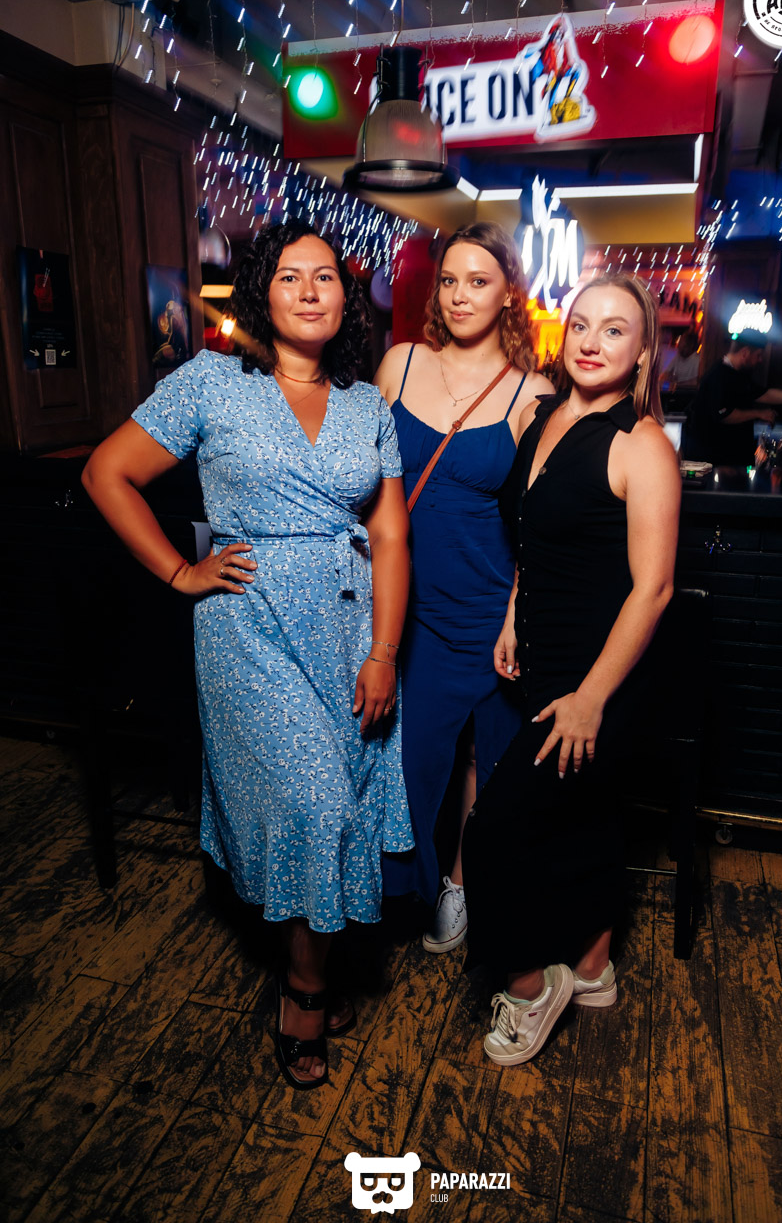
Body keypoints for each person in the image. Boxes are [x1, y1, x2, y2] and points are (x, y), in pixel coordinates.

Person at [82, 220, 412, 1090]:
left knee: (342, 805)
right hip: (250, 631)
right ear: (263, 292)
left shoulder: (367, 405)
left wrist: (383, 651)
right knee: (314, 808)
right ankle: (304, 993)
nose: (309, 290)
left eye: (325, 276)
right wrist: (179, 572)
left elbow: (388, 533)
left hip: (347, 630)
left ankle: (317, 967)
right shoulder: (210, 382)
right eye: (289, 275)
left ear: (345, 300)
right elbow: (107, 473)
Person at [462, 272, 681, 1066]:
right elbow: (532, 537)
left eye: (614, 329)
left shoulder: (639, 444)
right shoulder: (541, 415)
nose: (591, 342)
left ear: (643, 351)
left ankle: (529, 986)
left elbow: (653, 589)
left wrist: (590, 698)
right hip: (544, 659)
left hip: (600, 680)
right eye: (581, 325)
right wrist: (513, 613)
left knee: (495, 832)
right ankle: (591, 968)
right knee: (582, 817)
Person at [375, 223, 553, 953]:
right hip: (404, 604)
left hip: (487, 605)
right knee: (407, 758)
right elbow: (359, 479)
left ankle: (462, 882)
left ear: (508, 293)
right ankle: (396, 890)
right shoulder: (400, 365)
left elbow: (538, 523)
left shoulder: (531, 392)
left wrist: (515, 613)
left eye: (478, 282)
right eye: (448, 280)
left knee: (490, 757)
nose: (459, 295)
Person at [681, 331, 782, 465]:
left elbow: (764, 394)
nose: (760, 360)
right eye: (758, 355)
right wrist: (759, 413)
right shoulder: (719, 375)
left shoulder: (737, 374)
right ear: (745, 353)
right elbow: (723, 415)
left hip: (728, 457)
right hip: (715, 458)